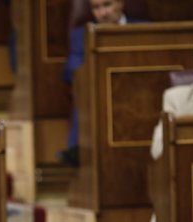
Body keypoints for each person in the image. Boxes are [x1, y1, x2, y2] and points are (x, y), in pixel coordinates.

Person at [59, 0, 144, 166]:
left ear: (120, 3)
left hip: (138, 91)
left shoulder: (144, 28)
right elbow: (71, 71)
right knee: (86, 93)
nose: (102, 13)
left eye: (107, 5)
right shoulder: (81, 35)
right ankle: (77, 151)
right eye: (96, 8)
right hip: (99, 92)